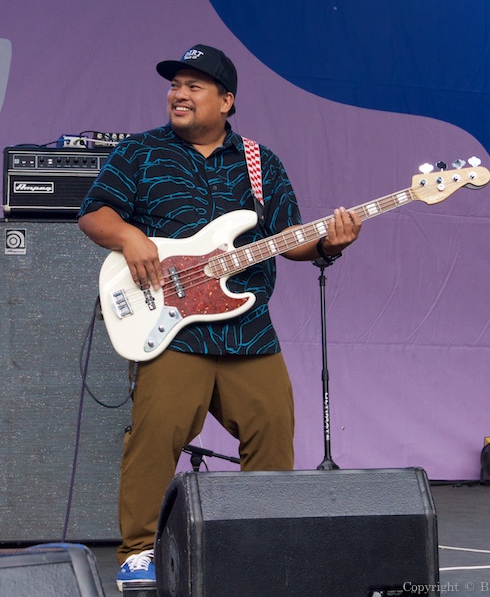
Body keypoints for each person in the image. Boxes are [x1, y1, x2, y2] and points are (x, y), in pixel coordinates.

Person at [77, 44, 361, 592]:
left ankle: (258, 546)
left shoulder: (261, 163)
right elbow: (95, 212)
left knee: (274, 437)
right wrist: (131, 236)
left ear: (227, 101)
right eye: (175, 85)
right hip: (174, 332)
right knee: (154, 438)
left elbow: (289, 241)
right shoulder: (140, 153)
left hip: (248, 330)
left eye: (194, 86)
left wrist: (330, 242)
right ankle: (138, 554)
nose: (178, 94)